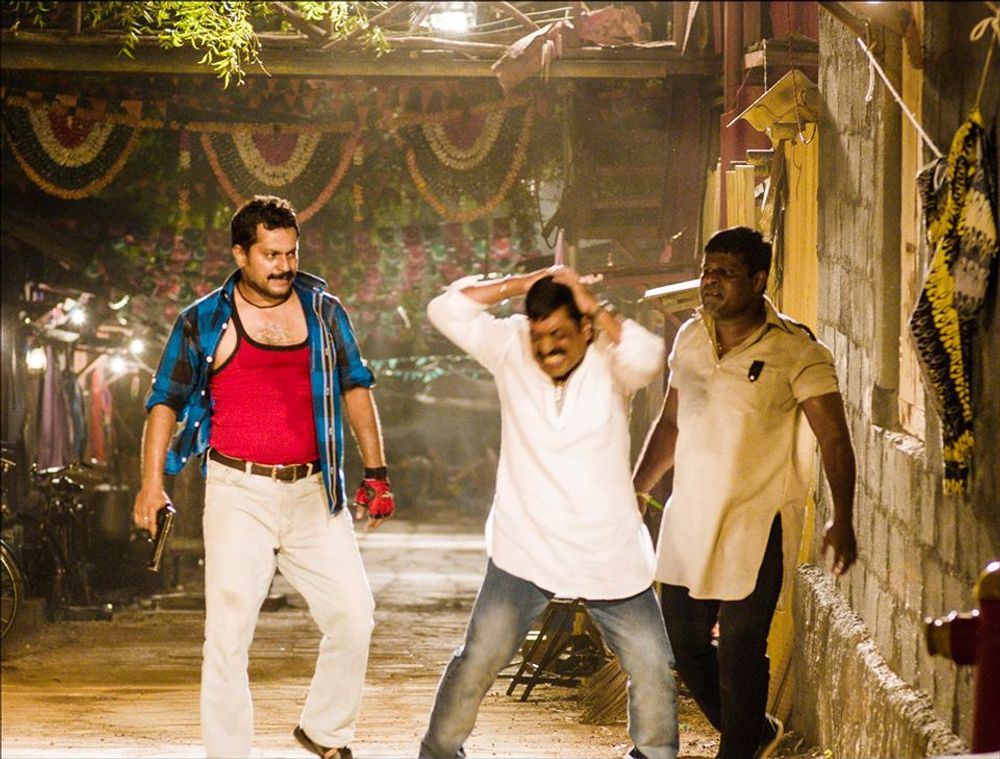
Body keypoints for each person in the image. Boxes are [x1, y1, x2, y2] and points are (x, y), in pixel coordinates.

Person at [132, 195, 395, 759]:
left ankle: (325, 732)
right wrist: (152, 485)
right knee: (228, 634)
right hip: (238, 492)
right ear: (240, 254)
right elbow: (164, 401)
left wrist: (377, 473)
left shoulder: (324, 311)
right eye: (271, 254)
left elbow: (356, 385)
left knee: (354, 617)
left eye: (291, 253)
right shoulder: (204, 319)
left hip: (315, 491)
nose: (284, 265)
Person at [420, 267, 679, 759]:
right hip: (525, 547)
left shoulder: (610, 359)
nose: (547, 348)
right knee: (477, 660)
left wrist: (588, 299)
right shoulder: (509, 346)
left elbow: (648, 356)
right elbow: (445, 309)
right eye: (539, 335)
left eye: (560, 333)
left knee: (652, 666)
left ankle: (655, 755)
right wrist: (525, 283)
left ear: (585, 327)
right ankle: (438, 755)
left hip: (608, 553)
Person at [632, 226, 858, 759]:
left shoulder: (797, 350)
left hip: (757, 524)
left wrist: (843, 517)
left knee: (740, 649)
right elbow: (671, 424)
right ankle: (753, 731)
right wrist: (634, 489)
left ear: (758, 281)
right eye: (707, 271)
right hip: (690, 518)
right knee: (685, 645)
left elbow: (834, 437)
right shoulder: (690, 337)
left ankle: (737, 749)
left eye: (726, 273)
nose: (710, 282)